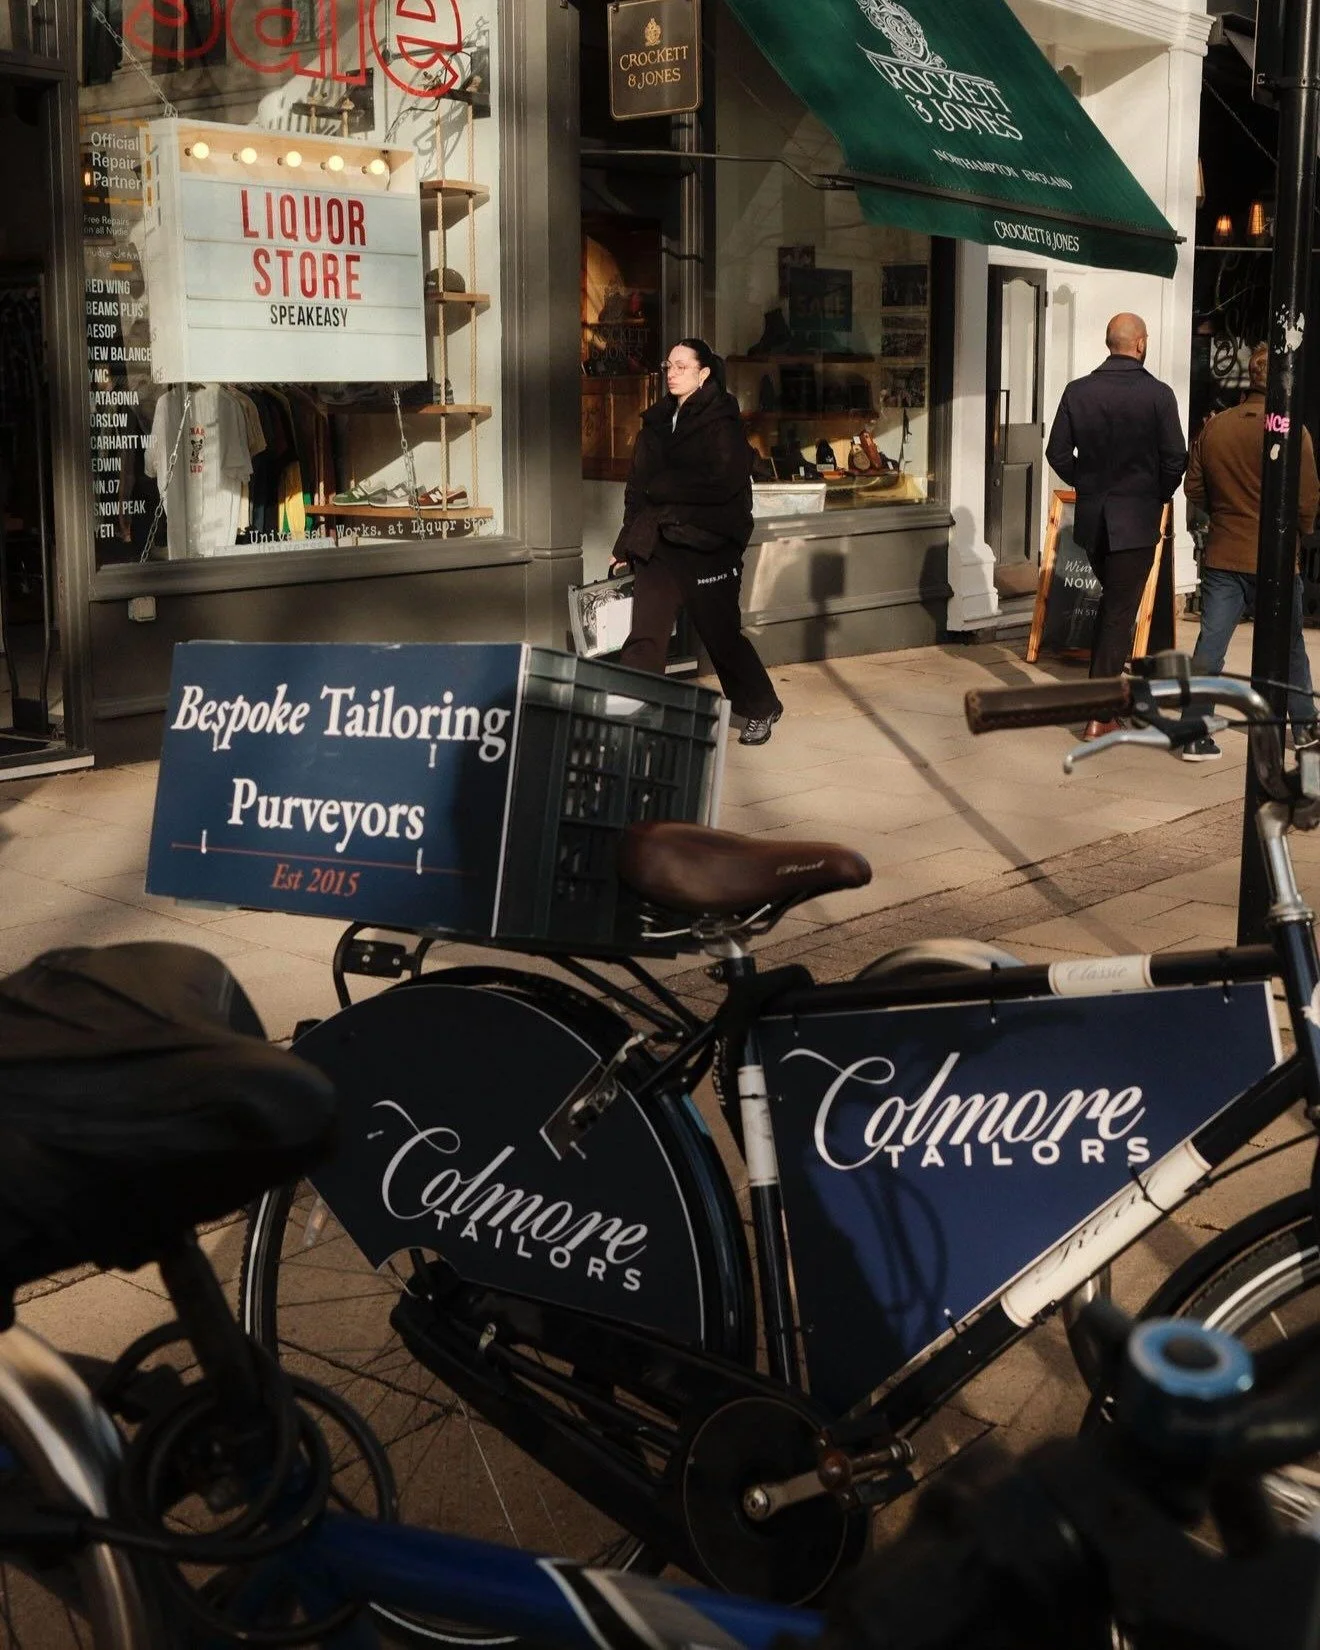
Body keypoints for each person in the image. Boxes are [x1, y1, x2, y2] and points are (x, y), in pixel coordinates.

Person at [612, 338, 783, 746]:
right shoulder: (655, 422)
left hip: (709, 544)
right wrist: (624, 545)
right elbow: (637, 488)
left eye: (682, 366)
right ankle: (629, 715)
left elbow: (723, 482)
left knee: (721, 637)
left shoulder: (722, 422)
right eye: (668, 365)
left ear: (704, 373)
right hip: (661, 542)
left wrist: (664, 489)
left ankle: (761, 705)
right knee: (646, 634)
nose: (671, 373)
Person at [1046, 314, 1188, 738]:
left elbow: (1056, 453)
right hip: (1135, 519)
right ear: (1140, 344)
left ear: (1110, 343)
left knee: (1116, 606)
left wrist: (1087, 484)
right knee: (1118, 612)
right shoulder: (1158, 395)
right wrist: (1156, 494)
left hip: (1093, 521)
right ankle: (1100, 712)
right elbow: (1175, 458)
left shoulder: (1078, 391)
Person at [1182, 342, 1319, 762]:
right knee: (1290, 645)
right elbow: (1307, 497)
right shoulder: (1290, 429)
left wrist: (1224, 514)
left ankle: (1193, 732)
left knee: (1211, 644)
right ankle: (1306, 729)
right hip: (1275, 557)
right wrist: (1298, 533)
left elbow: (1194, 487)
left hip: (1224, 553)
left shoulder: (1216, 427)